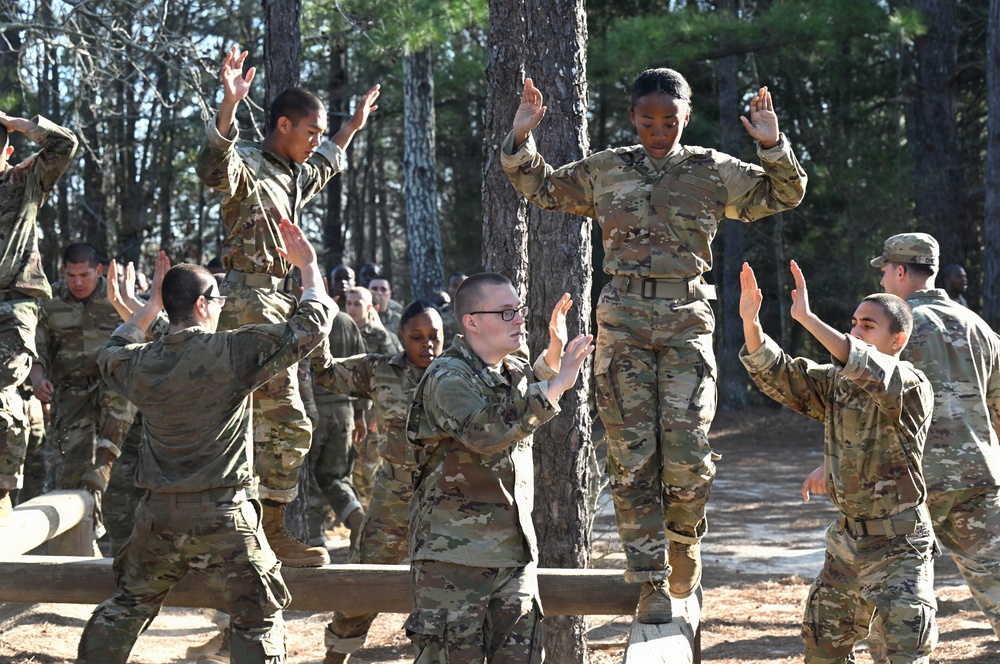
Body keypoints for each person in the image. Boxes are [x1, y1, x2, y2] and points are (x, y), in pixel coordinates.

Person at [501, 68, 807, 620]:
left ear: (687, 117)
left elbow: (784, 194)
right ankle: (649, 579)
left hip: (687, 317)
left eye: (670, 121)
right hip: (622, 318)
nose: (659, 132)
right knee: (631, 454)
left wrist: (771, 145)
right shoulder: (607, 168)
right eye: (648, 122)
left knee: (686, 447)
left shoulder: (712, 170)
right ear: (632, 119)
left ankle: (684, 539)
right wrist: (523, 136)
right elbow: (541, 188)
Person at [77, 219, 336, 664]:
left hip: (156, 518)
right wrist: (308, 268)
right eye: (217, 300)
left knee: (127, 606)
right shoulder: (230, 351)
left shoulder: (141, 363)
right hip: (224, 518)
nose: (221, 308)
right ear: (202, 304)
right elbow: (311, 326)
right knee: (257, 617)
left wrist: (148, 308)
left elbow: (111, 353)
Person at [195, 45, 379, 566]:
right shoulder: (250, 165)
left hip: (278, 301)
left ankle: (261, 532)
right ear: (283, 125)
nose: (317, 140)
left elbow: (326, 163)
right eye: (311, 132)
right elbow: (214, 165)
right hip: (247, 305)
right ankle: (254, 534)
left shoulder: (292, 173)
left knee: (277, 425)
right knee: (282, 422)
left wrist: (352, 127)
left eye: (321, 133)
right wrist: (229, 104)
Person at [317, 294, 573, 664]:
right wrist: (317, 306)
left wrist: (556, 356)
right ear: (401, 337)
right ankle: (338, 651)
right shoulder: (381, 370)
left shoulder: (470, 373)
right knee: (362, 583)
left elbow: (521, 390)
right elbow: (324, 371)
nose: (427, 344)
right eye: (416, 337)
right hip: (395, 495)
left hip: (450, 502)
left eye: (434, 336)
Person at [802, 232, 1000, 642]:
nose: (882, 280)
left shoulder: (894, 329)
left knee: (892, 601)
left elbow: (859, 399)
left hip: (907, 485)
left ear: (901, 271)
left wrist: (830, 464)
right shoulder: (977, 325)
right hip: (978, 478)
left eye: (885, 271)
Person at [740, 260, 936, 662]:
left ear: (897, 340)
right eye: (854, 323)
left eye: (869, 325)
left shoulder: (910, 386)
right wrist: (750, 322)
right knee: (822, 651)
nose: (856, 331)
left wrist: (808, 319)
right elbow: (780, 373)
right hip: (847, 545)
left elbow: (862, 362)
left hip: (899, 548)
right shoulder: (839, 384)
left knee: (903, 654)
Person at [403, 273, 593, 662]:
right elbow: (485, 431)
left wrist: (555, 352)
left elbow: (527, 384)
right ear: (471, 321)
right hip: (454, 561)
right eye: (506, 312)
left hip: (513, 556)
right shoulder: (446, 377)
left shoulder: (511, 369)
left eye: (519, 309)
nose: (519, 319)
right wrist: (557, 386)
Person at [0, 110, 78, 525]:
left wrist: (13, 121)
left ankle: (2, 489)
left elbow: (64, 144)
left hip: (14, 303)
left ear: (8, 152)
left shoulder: (24, 180)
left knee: (4, 379)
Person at [30, 244, 137, 513]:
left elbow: (142, 339)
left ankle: (105, 460)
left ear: (98, 271)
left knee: (123, 388)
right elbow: (37, 348)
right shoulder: (50, 300)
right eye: (71, 275)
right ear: (62, 272)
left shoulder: (117, 297)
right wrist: (37, 379)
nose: (77, 282)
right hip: (70, 390)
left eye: (84, 275)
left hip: (112, 382)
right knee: (70, 472)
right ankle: (80, 529)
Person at [307, 310, 368, 547]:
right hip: (344, 411)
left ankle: (314, 537)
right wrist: (360, 414)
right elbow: (363, 366)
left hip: (312, 409)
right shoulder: (345, 321)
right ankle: (354, 515)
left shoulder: (304, 317)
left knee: (307, 476)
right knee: (336, 475)